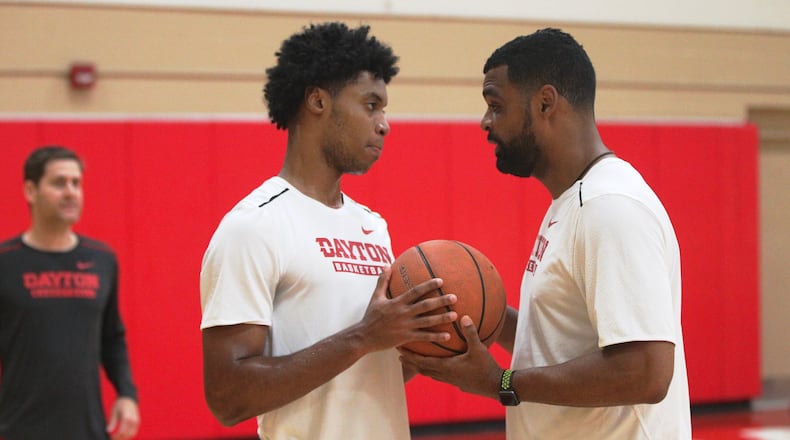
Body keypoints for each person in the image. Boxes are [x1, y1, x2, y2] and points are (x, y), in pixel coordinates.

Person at [401, 28, 692, 439]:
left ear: (545, 103)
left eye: (495, 105)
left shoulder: (609, 207)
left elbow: (645, 372)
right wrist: (479, 314)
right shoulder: (574, 202)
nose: (486, 122)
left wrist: (500, 383)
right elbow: (561, 346)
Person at [199, 22, 458, 440]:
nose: (384, 124)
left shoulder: (372, 227)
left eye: (384, 109)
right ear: (318, 101)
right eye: (371, 105)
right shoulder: (252, 227)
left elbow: (357, 375)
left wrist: (417, 345)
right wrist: (363, 338)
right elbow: (228, 398)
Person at [0, 146, 140, 440]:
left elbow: (112, 337)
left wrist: (127, 394)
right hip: (18, 428)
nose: (71, 192)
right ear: (30, 190)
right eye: (58, 182)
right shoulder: (6, 261)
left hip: (87, 428)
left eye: (76, 183)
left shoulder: (102, 259)